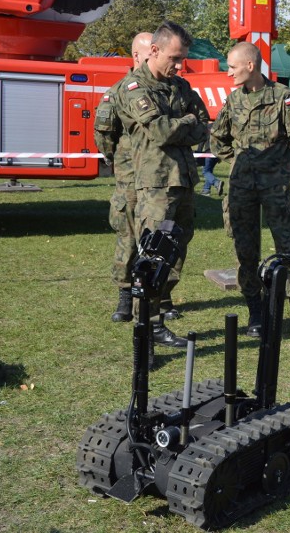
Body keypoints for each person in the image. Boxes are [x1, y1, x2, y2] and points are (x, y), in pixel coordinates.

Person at [210, 42, 290, 340]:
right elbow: (217, 139)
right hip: (242, 189)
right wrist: (238, 162)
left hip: (275, 187)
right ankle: (256, 313)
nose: (228, 72)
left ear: (250, 66)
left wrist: (279, 160)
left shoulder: (282, 96)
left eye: (232, 66)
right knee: (246, 252)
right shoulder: (233, 101)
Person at [114, 20, 210, 348]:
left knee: (174, 254)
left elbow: (204, 125)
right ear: (154, 51)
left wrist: (184, 125)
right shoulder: (133, 88)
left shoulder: (181, 87)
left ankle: (156, 322)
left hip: (182, 182)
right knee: (151, 258)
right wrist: (186, 122)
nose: (179, 65)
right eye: (175, 57)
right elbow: (159, 131)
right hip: (154, 186)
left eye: (182, 58)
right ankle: (145, 335)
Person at [94, 32, 152, 323]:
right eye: (148, 53)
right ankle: (125, 296)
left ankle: (160, 298)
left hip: (157, 178)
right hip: (129, 177)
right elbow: (104, 134)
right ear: (136, 56)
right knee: (128, 237)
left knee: (159, 237)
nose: (153, 58)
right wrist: (116, 162)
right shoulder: (117, 92)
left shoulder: (162, 89)